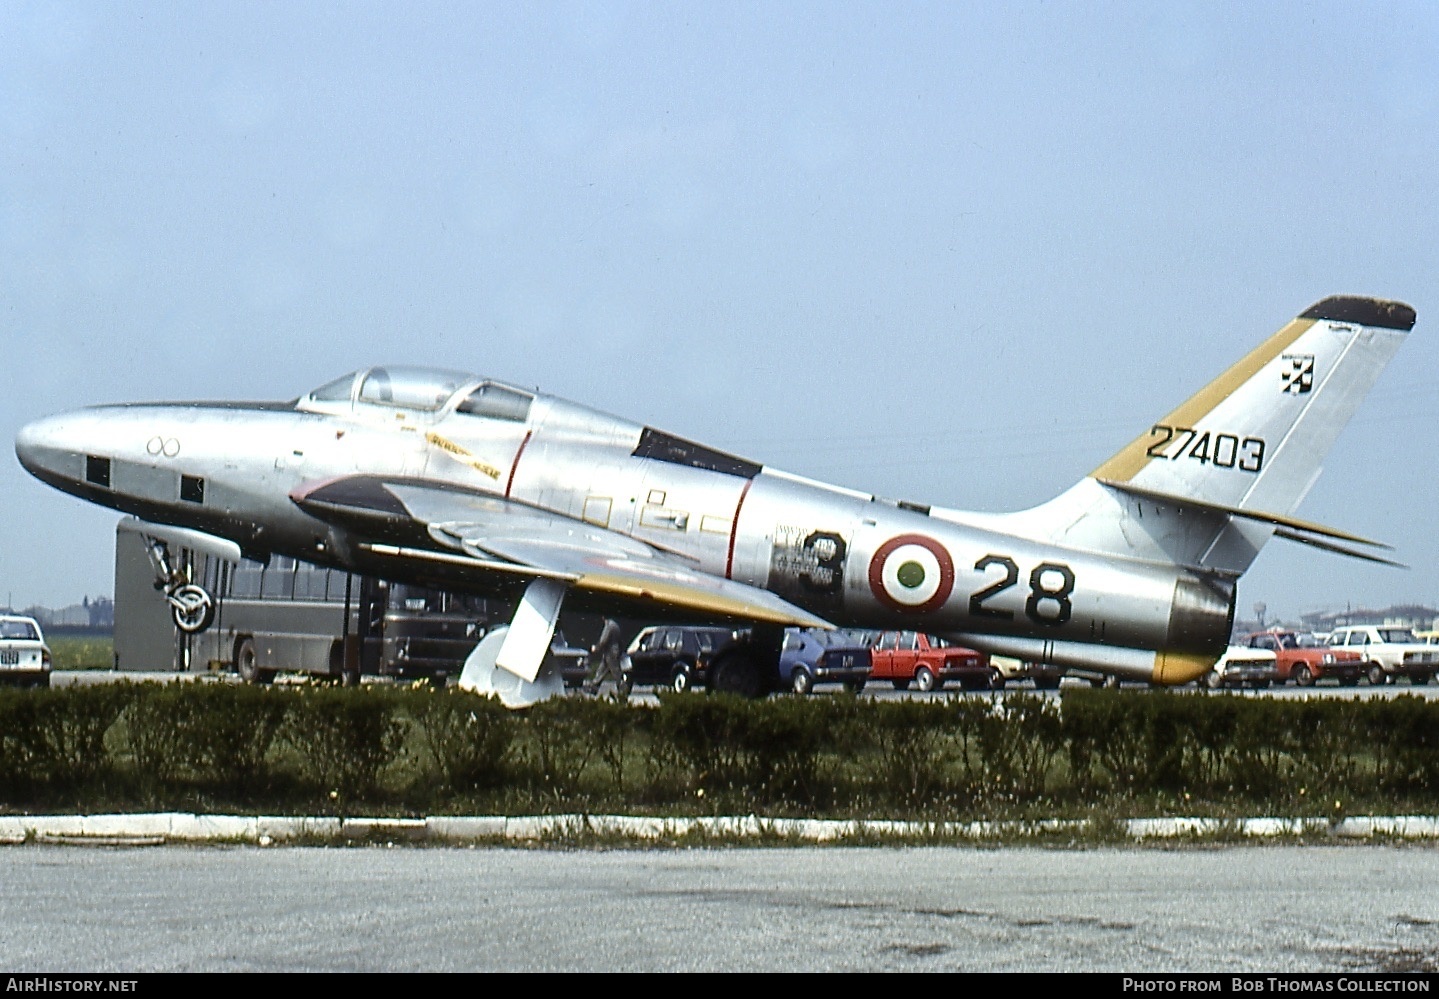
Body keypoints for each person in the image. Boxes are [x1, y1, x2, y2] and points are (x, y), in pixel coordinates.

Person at [583, 618, 624, 697]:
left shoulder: (609, 625)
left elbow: (603, 640)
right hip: (613, 651)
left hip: (610, 652)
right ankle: (594, 687)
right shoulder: (615, 625)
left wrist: (596, 648)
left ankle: (622, 689)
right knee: (601, 670)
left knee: (615, 672)